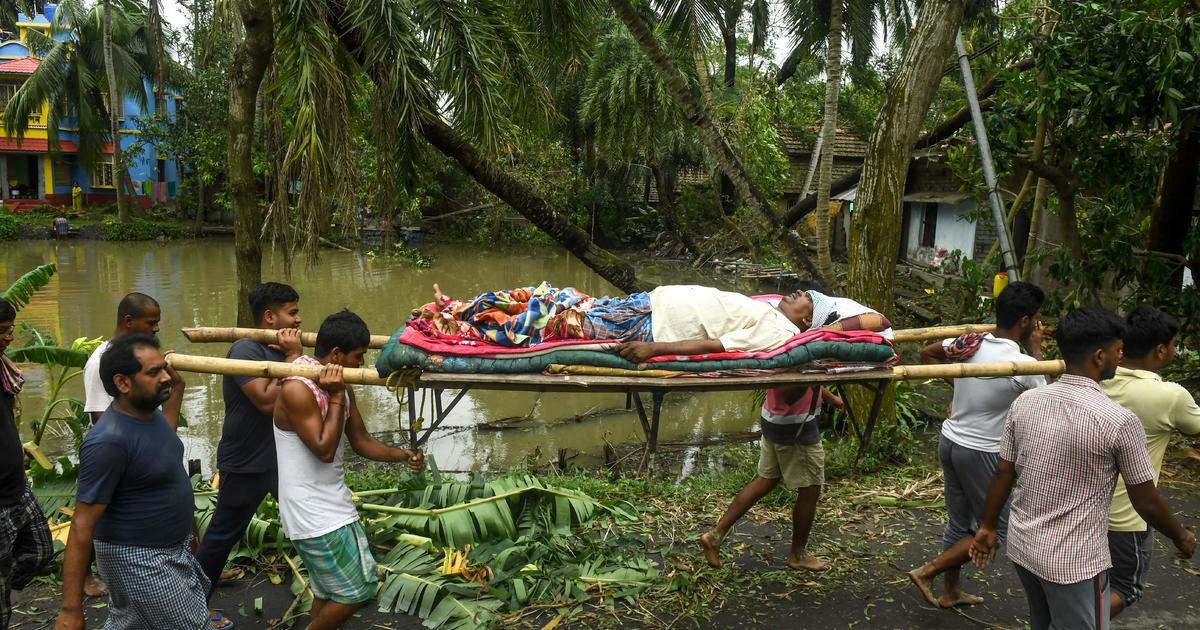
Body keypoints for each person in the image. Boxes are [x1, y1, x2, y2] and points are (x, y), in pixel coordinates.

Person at [969, 308, 1196, 630]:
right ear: (1100, 356)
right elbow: (1144, 501)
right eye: (1119, 351)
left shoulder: (1028, 402)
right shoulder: (1118, 420)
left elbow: (1004, 472)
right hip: (1072, 561)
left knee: (1043, 621)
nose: (1122, 358)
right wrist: (1181, 535)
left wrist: (988, 526)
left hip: (1023, 545)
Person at [699, 285, 888, 572]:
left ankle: (715, 535)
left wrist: (833, 398)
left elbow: (805, 376)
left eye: (806, 299)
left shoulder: (792, 341)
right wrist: (817, 367)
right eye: (805, 298)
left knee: (766, 480)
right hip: (794, 427)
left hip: (775, 420)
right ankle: (797, 554)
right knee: (810, 489)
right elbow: (787, 388)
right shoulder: (795, 347)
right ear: (805, 323)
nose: (799, 293)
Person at [273, 310, 425, 630]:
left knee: (328, 591)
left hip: (333, 504)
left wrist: (402, 455)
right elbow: (325, 449)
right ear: (336, 355)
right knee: (357, 591)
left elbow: (360, 440)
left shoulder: (338, 385)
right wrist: (338, 394)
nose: (360, 365)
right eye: (357, 357)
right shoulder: (298, 388)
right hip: (312, 512)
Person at [909, 282, 1047, 608]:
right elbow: (1048, 399)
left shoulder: (969, 342)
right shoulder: (1025, 363)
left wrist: (958, 388)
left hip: (950, 440)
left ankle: (949, 592)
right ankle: (928, 572)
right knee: (997, 527)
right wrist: (1038, 352)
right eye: (1037, 320)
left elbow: (929, 352)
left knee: (959, 523)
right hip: (982, 451)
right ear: (1026, 321)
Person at [55, 335, 208, 630]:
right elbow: (82, 525)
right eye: (154, 372)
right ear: (123, 383)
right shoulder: (109, 441)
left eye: (165, 368)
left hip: (169, 549)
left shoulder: (150, 417)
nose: (165, 376)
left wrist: (177, 386)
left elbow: (165, 442)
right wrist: (70, 609)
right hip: (139, 557)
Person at [195, 283, 302, 624]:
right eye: (292, 313)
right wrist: (293, 358)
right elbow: (269, 401)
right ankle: (191, 605)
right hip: (247, 461)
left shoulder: (280, 349)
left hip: (283, 460)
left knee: (309, 523)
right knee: (224, 533)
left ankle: (336, 589)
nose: (298, 321)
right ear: (270, 317)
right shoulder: (245, 350)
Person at [1101, 306, 1200, 618]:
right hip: (1126, 517)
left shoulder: (1095, 377)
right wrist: (1180, 535)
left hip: (1083, 510)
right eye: (1172, 345)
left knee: (1089, 583)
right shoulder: (1170, 396)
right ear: (1160, 350)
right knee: (1124, 588)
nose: (1173, 350)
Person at [426, 283, 829, 358]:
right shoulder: (769, 307)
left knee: (557, 320)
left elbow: (715, 347)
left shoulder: (778, 330)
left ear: (807, 319)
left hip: (649, 328)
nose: (798, 294)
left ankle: (461, 321)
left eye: (805, 300)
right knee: (554, 298)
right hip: (647, 304)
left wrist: (653, 349)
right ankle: (463, 309)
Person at [1, 298, 53, 630]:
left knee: (41, 550)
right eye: (3, 331)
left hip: (17, 486)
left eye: (10, 330)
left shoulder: (3, 369)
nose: (9, 337)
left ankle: (9, 589)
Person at [83, 292, 181, 425]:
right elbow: (100, 420)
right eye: (151, 323)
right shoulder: (98, 362)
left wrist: (157, 371)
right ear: (128, 321)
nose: (157, 329)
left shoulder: (143, 355)